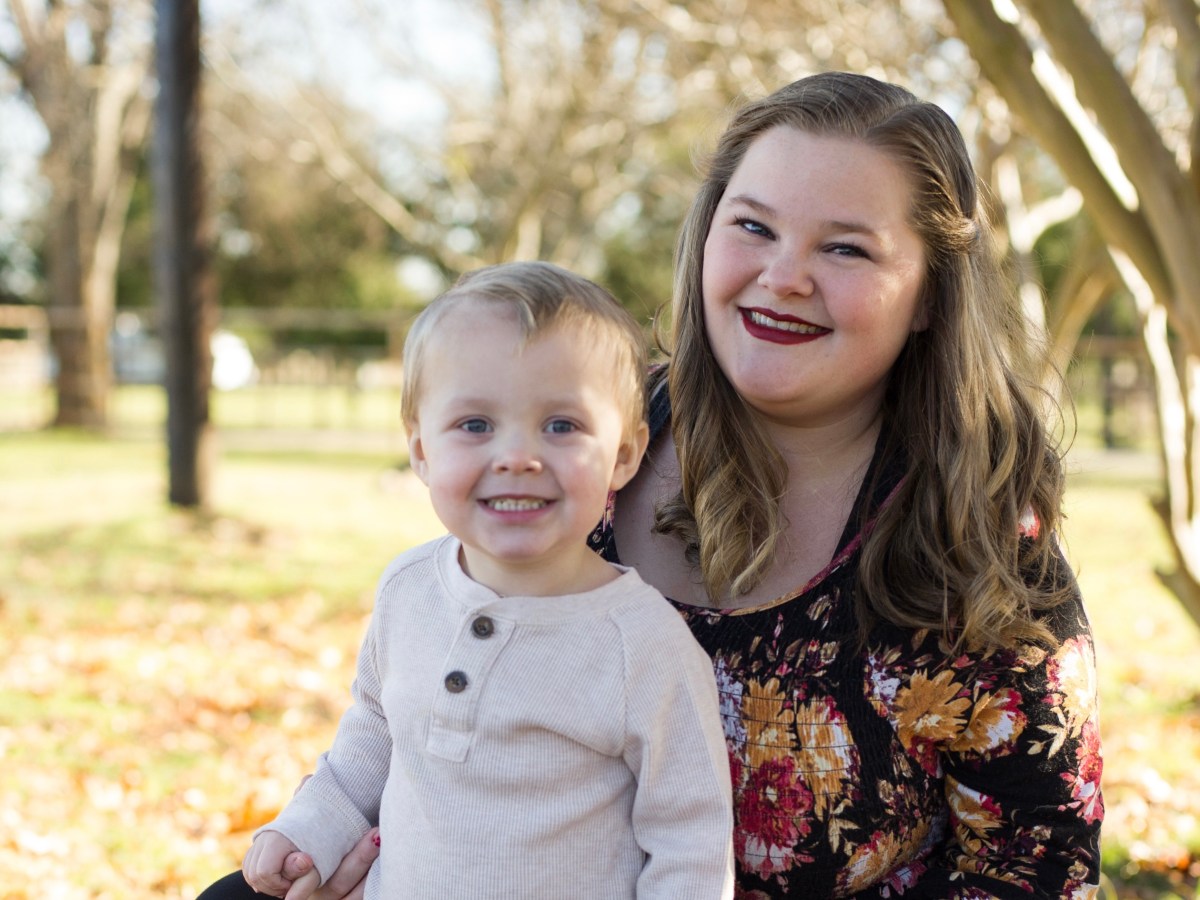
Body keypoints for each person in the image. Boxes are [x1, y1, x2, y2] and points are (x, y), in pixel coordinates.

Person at [202, 70, 1104, 898]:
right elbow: (424, 709)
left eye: (846, 250)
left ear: (931, 295)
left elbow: (1036, 865)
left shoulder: (978, 543)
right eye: (753, 227)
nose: (783, 277)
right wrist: (353, 851)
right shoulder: (581, 428)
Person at [229, 261, 736, 900]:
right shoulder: (409, 590)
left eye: (561, 425)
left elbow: (691, 842)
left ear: (625, 454)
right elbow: (374, 736)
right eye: (475, 425)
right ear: (421, 451)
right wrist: (306, 830)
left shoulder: (643, 644)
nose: (517, 457)